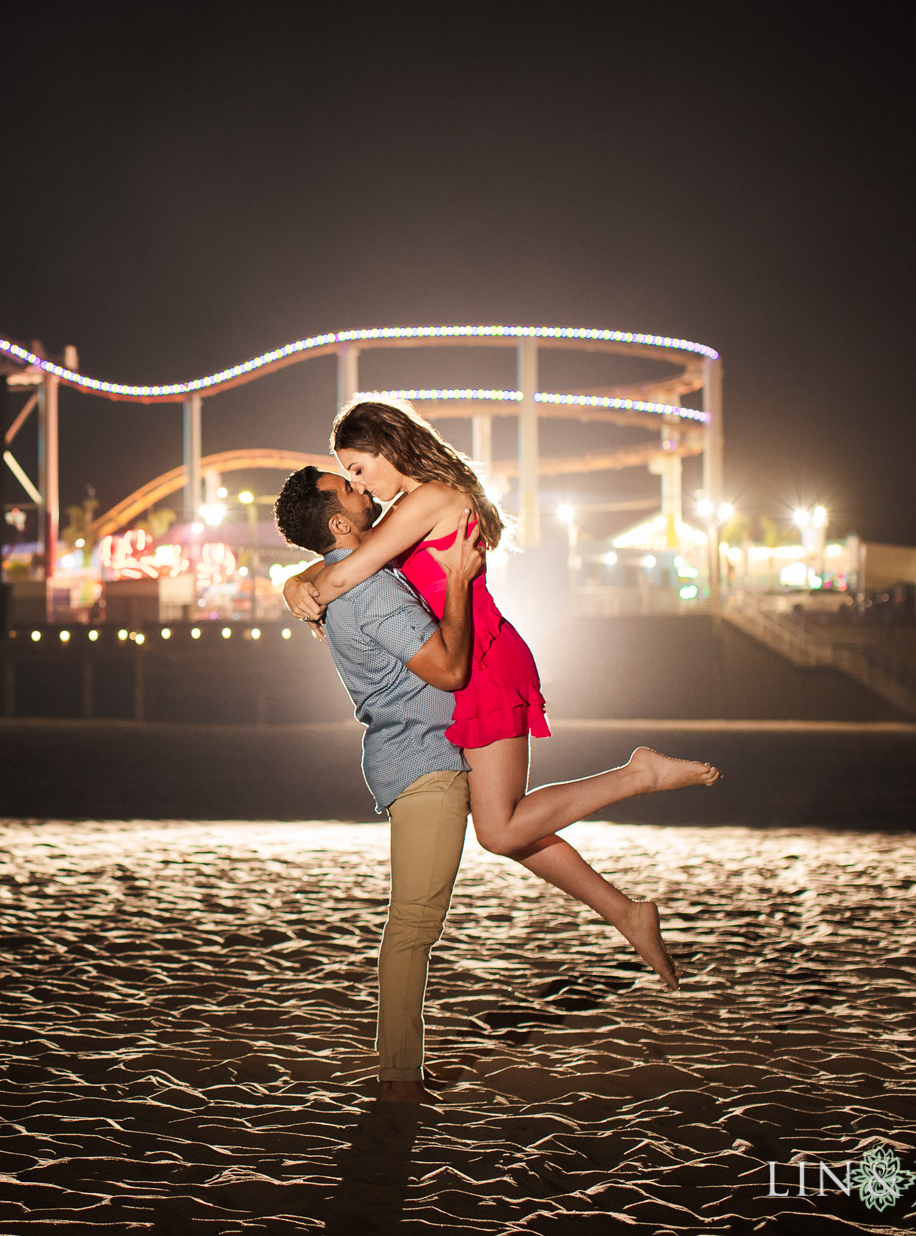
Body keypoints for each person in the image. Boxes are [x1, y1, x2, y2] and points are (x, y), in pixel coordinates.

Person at [281, 397, 720, 990]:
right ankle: (625, 912)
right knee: (506, 828)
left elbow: (342, 572)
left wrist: (300, 585)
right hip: (469, 654)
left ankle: (636, 777)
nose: (361, 483)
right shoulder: (412, 505)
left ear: (387, 449)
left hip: (482, 661)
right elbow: (350, 558)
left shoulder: (429, 500)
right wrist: (294, 580)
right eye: (350, 476)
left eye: (359, 468)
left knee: (500, 829)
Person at [272, 465, 482, 1105]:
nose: (369, 492)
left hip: (409, 758)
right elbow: (447, 670)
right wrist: (456, 584)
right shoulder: (367, 592)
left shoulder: (344, 582)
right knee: (413, 926)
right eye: (353, 488)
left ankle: (400, 1072)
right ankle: (398, 1078)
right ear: (340, 521)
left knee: (414, 922)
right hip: (425, 760)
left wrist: (294, 580)